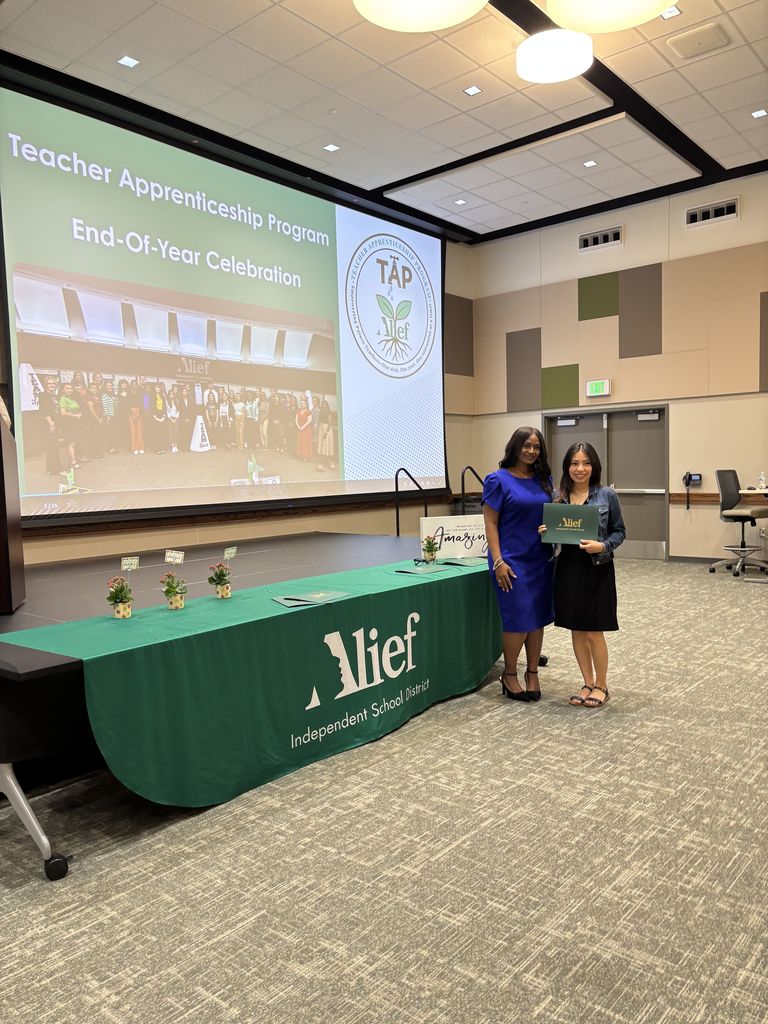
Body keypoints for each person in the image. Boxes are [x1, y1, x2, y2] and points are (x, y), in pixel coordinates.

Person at [539, 441, 626, 709]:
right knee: (577, 629)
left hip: (597, 567)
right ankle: (586, 682)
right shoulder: (557, 497)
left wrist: (602, 545)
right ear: (567, 467)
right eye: (575, 463)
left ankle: (602, 685)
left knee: (594, 631)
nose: (580, 468)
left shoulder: (606, 495)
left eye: (586, 463)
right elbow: (555, 533)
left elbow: (619, 532)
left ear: (594, 466)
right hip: (568, 569)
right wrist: (546, 532)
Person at [482, 426, 554, 702]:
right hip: (510, 559)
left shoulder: (543, 478)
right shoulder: (497, 480)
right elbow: (490, 522)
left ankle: (532, 673)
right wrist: (497, 560)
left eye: (536, 446)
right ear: (515, 446)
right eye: (526, 445)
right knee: (518, 619)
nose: (532, 451)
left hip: (540, 557)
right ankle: (510, 674)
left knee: (537, 618)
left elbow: (550, 512)